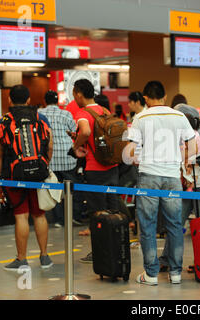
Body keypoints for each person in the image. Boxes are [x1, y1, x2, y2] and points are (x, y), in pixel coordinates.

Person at [125, 81, 196, 285]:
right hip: (173, 177)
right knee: (174, 225)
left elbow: (131, 150)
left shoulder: (140, 117)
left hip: (148, 176)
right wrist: (186, 164)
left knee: (147, 225)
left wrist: (133, 159)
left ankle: (151, 275)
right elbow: (191, 142)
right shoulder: (179, 116)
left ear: (146, 98)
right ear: (165, 97)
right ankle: (175, 273)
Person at [0, 85, 54, 271]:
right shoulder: (41, 119)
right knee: (39, 214)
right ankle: (44, 257)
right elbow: (50, 146)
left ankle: (22, 259)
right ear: (28, 100)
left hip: (13, 175)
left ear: (9, 100)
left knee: (21, 215)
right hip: (39, 174)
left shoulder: (2, 122)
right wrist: (44, 165)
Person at [159, 104, 200, 273]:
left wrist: (187, 156)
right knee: (175, 222)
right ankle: (167, 259)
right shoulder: (178, 134)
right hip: (186, 185)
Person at [70, 79, 120, 264]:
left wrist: (76, 146)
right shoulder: (105, 111)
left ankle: (99, 252)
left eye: (74, 94)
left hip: (95, 169)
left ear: (79, 94)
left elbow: (85, 131)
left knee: (97, 214)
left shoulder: (83, 113)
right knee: (113, 212)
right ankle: (115, 248)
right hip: (112, 167)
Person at [38, 90, 83, 227]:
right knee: (72, 189)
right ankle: (74, 216)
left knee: (54, 190)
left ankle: (58, 219)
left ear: (45, 101)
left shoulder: (40, 115)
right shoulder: (66, 114)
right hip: (67, 158)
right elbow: (75, 131)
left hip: (49, 159)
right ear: (57, 101)